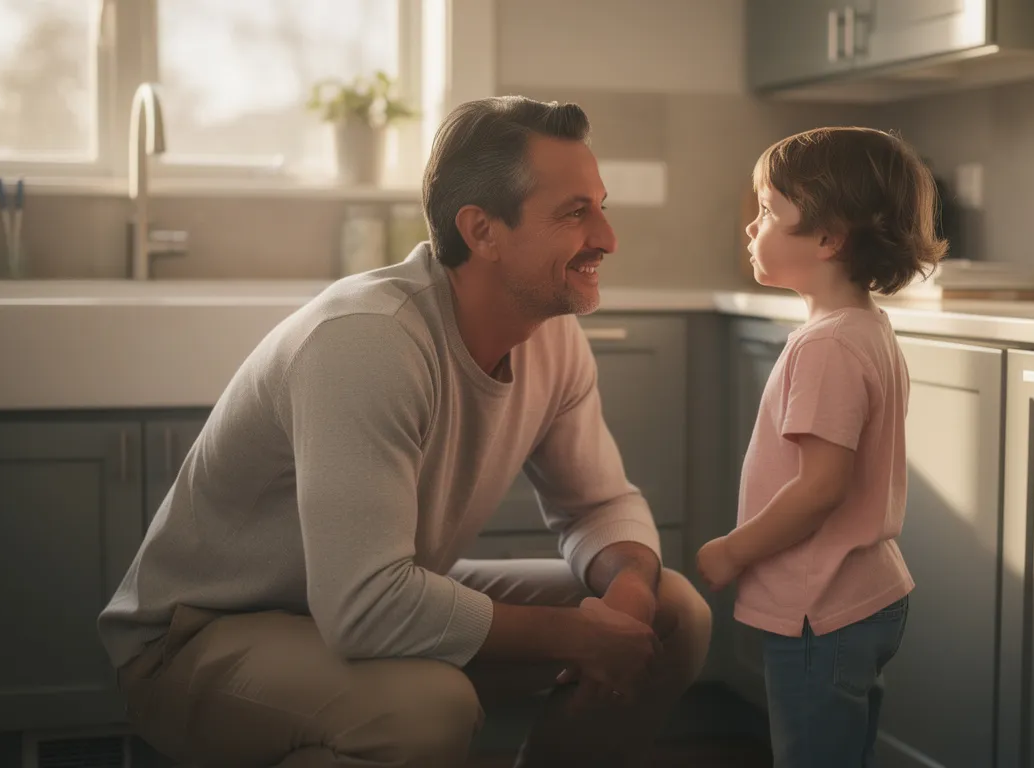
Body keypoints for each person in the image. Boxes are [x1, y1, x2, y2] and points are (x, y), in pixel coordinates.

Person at [97, 95, 712, 768]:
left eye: (601, 205)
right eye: (575, 212)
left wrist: (623, 597)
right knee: (425, 711)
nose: (607, 237)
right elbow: (364, 605)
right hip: (198, 638)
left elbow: (599, 504)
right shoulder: (371, 340)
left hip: (365, 600)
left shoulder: (551, 340)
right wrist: (574, 635)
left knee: (671, 613)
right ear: (482, 231)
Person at [696, 126, 946, 767]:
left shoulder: (827, 345)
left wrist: (733, 550)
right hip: (867, 594)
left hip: (822, 608)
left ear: (830, 239)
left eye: (769, 213)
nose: (751, 228)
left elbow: (820, 487)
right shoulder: (866, 328)